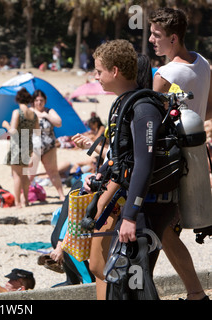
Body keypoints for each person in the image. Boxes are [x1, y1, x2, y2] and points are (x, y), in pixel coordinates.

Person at [84, 39, 178, 299]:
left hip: (148, 206)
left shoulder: (143, 108)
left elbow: (144, 165)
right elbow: (122, 155)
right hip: (138, 204)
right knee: (124, 280)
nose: (96, 77)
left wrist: (129, 216)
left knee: (134, 284)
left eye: (99, 71)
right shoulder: (125, 104)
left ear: (115, 71)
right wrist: (101, 174)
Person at [149, 7, 211, 300]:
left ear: (173, 38)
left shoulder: (165, 74)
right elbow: (209, 109)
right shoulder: (203, 63)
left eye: (156, 35)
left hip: (170, 163)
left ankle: (196, 293)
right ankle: (194, 293)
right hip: (197, 155)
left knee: (160, 228)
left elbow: (149, 122)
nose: (150, 39)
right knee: (165, 230)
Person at [2, 88, 38, 208]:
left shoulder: (17, 112)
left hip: (18, 145)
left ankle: (17, 202)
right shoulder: (34, 114)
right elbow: (37, 131)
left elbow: (12, 131)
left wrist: (6, 125)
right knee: (24, 175)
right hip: (28, 145)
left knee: (16, 175)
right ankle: (26, 200)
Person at [29, 89, 65, 202]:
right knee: (30, 173)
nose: (39, 102)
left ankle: (61, 195)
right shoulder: (29, 111)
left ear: (45, 101)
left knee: (53, 172)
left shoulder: (49, 111)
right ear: (33, 101)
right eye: (36, 100)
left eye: (41, 100)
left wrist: (46, 115)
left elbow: (59, 122)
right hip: (33, 147)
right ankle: (24, 197)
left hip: (49, 146)